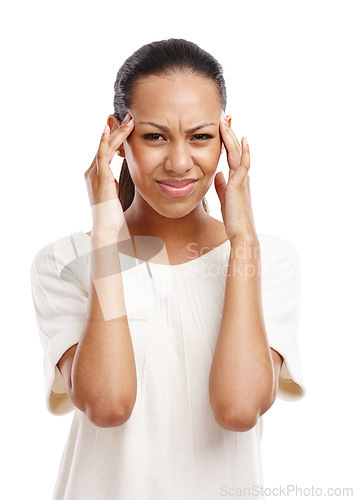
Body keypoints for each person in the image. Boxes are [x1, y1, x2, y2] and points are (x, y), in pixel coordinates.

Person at [30, 38, 306, 500]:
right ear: (117, 136)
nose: (179, 163)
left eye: (200, 136)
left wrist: (243, 243)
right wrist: (106, 240)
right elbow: (108, 403)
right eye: (155, 136)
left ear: (226, 136)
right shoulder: (65, 263)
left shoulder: (267, 261)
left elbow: (238, 409)